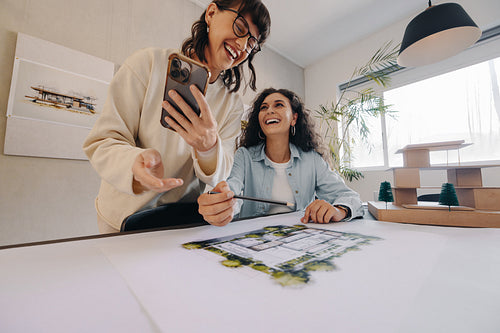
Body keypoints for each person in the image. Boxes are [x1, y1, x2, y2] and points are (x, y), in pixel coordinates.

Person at [83, 0, 271, 233]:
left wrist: (209, 148)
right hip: (122, 221)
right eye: (240, 27)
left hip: (181, 224)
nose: (243, 45)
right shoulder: (148, 63)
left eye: (251, 43)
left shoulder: (231, 104)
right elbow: (103, 141)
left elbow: (223, 173)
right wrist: (134, 163)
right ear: (211, 13)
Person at [198, 88, 364, 226]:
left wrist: (339, 210)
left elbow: (351, 197)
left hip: (301, 239)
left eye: (278, 105)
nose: (269, 110)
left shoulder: (312, 159)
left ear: (294, 118)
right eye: (264, 108)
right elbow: (232, 187)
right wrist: (223, 204)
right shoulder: (245, 156)